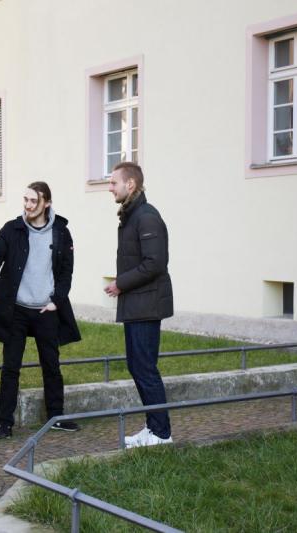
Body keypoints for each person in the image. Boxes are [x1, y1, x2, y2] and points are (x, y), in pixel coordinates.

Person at [0, 182, 81, 439]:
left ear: (46, 202)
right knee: (10, 367)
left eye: (33, 201)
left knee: (51, 365)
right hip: (16, 309)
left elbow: (66, 272)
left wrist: (56, 301)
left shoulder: (61, 232)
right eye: (25, 200)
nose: (27, 205)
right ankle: (4, 422)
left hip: (45, 310)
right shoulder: (12, 229)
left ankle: (56, 417)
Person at [104, 162, 174, 448]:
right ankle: (154, 427)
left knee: (144, 367)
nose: (110, 188)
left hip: (146, 305)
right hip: (137, 304)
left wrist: (121, 283)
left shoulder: (146, 217)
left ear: (130, 184)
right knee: (137, 366)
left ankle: (161, 433)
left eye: (113, 183)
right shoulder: (133, 215)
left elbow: (155, 263)